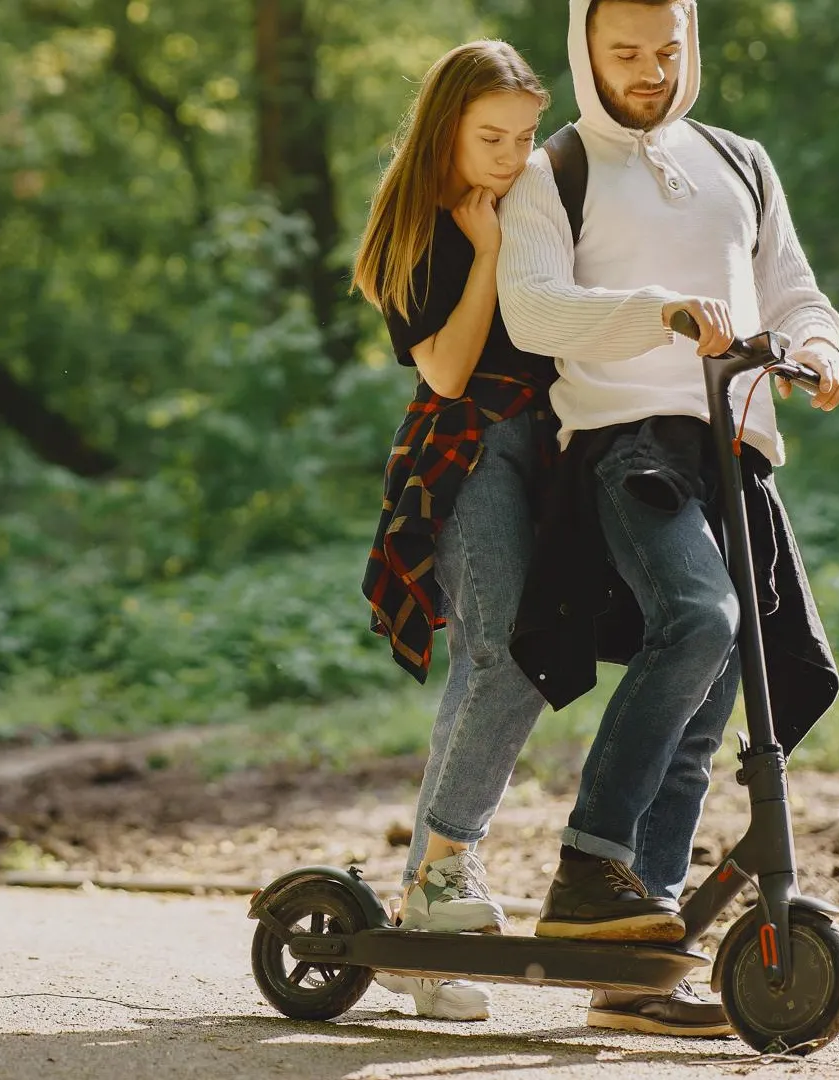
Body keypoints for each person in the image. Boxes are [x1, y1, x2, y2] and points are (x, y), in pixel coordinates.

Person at [494, 0, 839, 1037]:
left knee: (718, 695)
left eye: (668, 50)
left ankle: (633, 953)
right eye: (625, 54)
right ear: (585, 49)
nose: (651, 71)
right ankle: (589, 868)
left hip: (733, 448)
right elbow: (534, 308)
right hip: (628, 444)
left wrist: (820, 348)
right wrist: (654, 309)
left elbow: (792, 289)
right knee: (699, 621)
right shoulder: (553, 170)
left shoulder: (741, 160)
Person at [352, 39, 554, 1022]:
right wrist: (482, 254)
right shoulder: (423, 229)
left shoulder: (532, 200)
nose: (513, 156)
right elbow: (447, 370)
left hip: (547, 449)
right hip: (463, 452)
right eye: (491, 137)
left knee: (493, 660)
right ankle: (439, 886)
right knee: (503, 654)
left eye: (524, 136)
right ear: (445, 128)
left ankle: (421, 915)